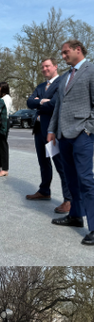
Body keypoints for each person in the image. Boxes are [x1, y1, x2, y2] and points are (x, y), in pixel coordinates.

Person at [48, 39, 94, 245]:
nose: (63, 56)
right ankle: (75, 215)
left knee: (86, 180)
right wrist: (51, 130)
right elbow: (59, 106)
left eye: (66, 52)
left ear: (78, 50)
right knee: (71, 179)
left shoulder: (91, 70)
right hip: (63, 136)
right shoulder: (65, 77)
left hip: (82, 135)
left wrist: (88, 129)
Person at [26, 57, 72, 212]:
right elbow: (29, 102)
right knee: (43, 162)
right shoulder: (40, 86)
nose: (44, 69)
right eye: (42, 67)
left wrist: (40, 102)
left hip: (52, 132)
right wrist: (40, 101)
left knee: (60, 164)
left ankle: (68, 199)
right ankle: (44, 191)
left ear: (55, 67)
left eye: (47, 66)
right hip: (39, 129)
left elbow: (54, 104)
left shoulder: (62, 83)